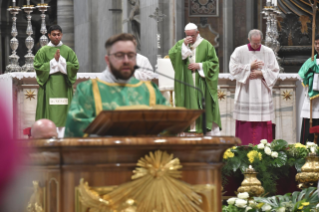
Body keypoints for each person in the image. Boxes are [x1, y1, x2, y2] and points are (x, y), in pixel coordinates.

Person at [64, 33, 168, 137]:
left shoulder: (149, 90)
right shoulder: (88, 90)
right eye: (119, 55)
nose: (126, 61)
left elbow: (169, 124)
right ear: (107, 60)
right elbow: (75, 127)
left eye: (131, 55)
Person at [168, 23, 221, 135]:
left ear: (198, 33)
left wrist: (200, 66)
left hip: (201, 81)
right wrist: (183, 46)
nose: (190, 38)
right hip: (186, 81)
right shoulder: (180, 44)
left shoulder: (206, 45)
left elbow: (214, 63)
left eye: (192, 35)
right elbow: (172, 55)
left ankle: (202, 129)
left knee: (202, 104)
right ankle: (188, 129)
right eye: (188, 35)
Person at [229, 29, 279, 145]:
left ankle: (263, 148)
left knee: (261, 122)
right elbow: (233, 69)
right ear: (248, 40)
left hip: (262, 92)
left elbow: (275, 71)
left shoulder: (268, 51)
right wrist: (249, 67)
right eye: (254, 43)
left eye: (258, 42)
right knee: (245, 122)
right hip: (246, 92)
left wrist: (261, 73)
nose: (256, 45)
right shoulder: (239, 51)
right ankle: (243, 147)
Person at [33, 25, 80, 138]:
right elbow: (38, 68)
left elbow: (75, 66)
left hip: (63, 86)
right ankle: (48, 135)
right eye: (54, 35)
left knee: (64, 112)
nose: (56, 37)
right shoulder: (42, 51)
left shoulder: (68, 51)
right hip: (49, 86)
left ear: (62, 35)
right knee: (50, 111)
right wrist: (54, 62)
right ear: (49, 35)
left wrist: (61, 61)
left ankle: (65, 137)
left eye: (58, 34)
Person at [299, 34, 319, 144]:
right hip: (311, 101)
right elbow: (301, 75)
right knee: (309, 128)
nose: (317, 46)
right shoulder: (310, 61)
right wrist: (309, 73)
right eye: (316, 44)